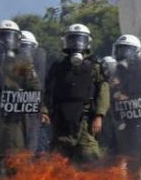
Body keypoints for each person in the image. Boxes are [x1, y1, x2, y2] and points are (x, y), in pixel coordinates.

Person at [43, 24, 109, 165]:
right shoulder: (58, 67)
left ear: (87, 42)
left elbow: (103, 92)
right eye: (72, 40)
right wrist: (44, 111)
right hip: (61, 120)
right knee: (58, 160)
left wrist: (99, 115)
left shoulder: (95, 66)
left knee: (92, 159)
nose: (76, 44)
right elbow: (47, 91)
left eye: (80, 40)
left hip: (85, 119)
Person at [0, 20, 41, 180]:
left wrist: (20, 97)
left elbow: (34, 88)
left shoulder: (22, 63)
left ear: (17, 39)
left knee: (16, 161)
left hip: (15, 119)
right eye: (1, 36)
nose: (5, 41)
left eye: (9, 37)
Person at [107, 35, 141, 180]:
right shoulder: (116, 72)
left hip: (138, 122)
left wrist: (126, 96)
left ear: (136, 52)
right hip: (118, 122)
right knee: (116, 156)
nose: (123, 55)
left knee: (136, 158)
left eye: (127, 51)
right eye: (121, 50)